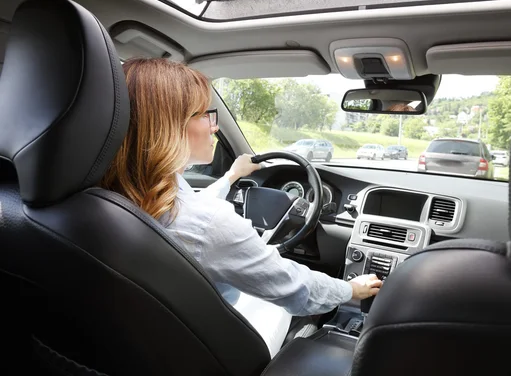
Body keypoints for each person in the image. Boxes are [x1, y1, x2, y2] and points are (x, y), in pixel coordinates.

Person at [100, 58, 382, 356]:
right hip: (204, 351)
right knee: (283, 307)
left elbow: (191, 210)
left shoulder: (103, 195)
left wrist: (230, 177)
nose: (215, 126)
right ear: (169, 126)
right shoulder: (210, 224)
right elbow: (294, 286)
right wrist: (352, 289)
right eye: (205, 115)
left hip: (136, 343)